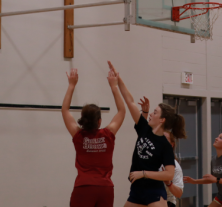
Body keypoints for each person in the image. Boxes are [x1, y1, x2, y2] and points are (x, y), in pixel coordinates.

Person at [109, 61, 187, 207]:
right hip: (137, 190)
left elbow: (169, 174)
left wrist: (144, 173)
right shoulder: (144, 128)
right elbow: (130, 101)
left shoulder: (165, 145)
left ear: (162, 120)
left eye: (155, 112)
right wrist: (118, 79)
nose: (151, 114)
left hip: (153, 191)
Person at [61, 66, 126, 207]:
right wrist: (114, 86)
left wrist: (72, 85)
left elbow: (65, 109)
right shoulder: (108, 134)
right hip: (106, 188)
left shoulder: (78, 135)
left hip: (83, 187)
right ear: (99, 121)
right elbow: (122, 110)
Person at [139, 97, 184, 207]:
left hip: (166, 201)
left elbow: (179, 193)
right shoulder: (150, 155)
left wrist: (168, 182)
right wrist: (144, 112)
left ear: (170, 145)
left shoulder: (174, 166)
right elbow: (142, 133)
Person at [183, 132, 222, 207]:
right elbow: (212, 179)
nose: (216, 138)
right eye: (218, 137)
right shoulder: (214, 160)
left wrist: (217, 179)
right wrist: (194, 181)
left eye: (220, 138)